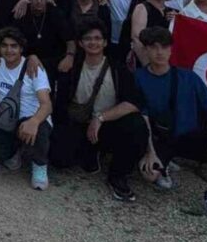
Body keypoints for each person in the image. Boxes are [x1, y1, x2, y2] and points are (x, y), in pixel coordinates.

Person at [134, 26, 207, 227]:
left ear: (171, 49)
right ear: (146, 50)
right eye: (154, 47)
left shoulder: (189, 77)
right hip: (160, 139)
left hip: (189, 135)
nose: (159, 52)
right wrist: (150, 152)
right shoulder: (138, 78)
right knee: (149, 174)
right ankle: (163, 165)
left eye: (164, 47)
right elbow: (143, 117)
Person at [51, 21, 148, 201]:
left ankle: (118, 175)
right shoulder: (71, 67)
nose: (93, 43)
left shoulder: (117, 68)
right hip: (78, 122)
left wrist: (100, 118)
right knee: (59, 159)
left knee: (136, 125)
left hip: (107, 123)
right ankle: (90, 150)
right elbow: (61, 103)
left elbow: (134, 103)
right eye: (87, 38)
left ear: (105, 42)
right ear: (80, 43)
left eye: (97, 38)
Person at [0, 27, 53, 190]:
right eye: (4, 46)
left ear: (21, 48)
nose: (9, 50)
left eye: (14, 46)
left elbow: (47, 105)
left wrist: (35, 121)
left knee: (37, 128)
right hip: (7, 119)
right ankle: (14, 150)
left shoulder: (33, 67)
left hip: (31, 118)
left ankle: (39, 165)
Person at [14, 0, 76, 85]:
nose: (39, 1)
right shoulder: (22, 14)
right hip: (27, 60)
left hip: (53, 60)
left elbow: (70, 40)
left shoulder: (56, 14)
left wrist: (70, 56)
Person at [129, 0, 179, 67]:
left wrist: (178, 21)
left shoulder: (174, 12)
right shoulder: (142, 8)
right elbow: (136, 38)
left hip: (167, 62)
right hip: (148, 61)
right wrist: (148, 65)